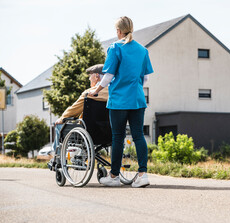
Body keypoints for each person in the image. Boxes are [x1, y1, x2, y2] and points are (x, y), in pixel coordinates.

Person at [89, 16, 153, 188]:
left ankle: (114, 176)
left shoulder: (115, 47)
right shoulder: (142, 50)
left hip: (119, 100)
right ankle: (142, 175)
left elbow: (108, 75)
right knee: (139, 135)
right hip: (138, 99)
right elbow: (144, 78)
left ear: (118, 31)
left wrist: (96, 90)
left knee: (118, 137)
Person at [49, 64, 108, 167]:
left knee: (59, 126)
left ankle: (57, 159)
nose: (89, 78)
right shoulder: (114, 92)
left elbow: (74, 109)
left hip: (90, 131)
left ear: (97, 76)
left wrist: (62, 118)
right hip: (109, 132)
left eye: (90, 75)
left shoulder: (90, 93)